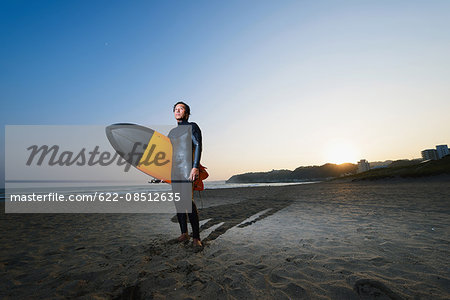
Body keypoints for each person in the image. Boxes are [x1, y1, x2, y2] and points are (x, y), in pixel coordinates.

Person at [168, 101, 202, 247]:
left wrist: (195, 167)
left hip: (187, 168)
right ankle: (184, 233)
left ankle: (196, 238)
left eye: (181, 109)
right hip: (175, 170)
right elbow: (168, 154)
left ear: (186, 113)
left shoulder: (192, 126)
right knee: (178, 202)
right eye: (176, 109)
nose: (177, 111)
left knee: (188, 201)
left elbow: (198, 145)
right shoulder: (172, 133)